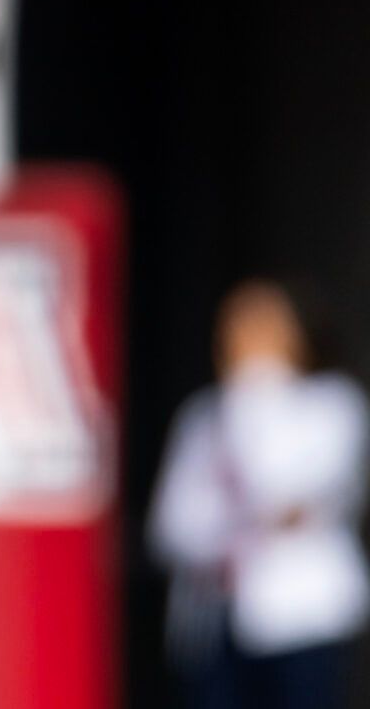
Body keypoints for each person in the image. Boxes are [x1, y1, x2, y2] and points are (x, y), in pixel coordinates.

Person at [149, 279, 369, 709]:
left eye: (262, 325)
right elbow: (171, 525)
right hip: (213, 621)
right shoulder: (203, 414)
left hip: (300, 619)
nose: (245, 338)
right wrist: (221, 537)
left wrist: (254, 391)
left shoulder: (332, 406)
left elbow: (280, 492)